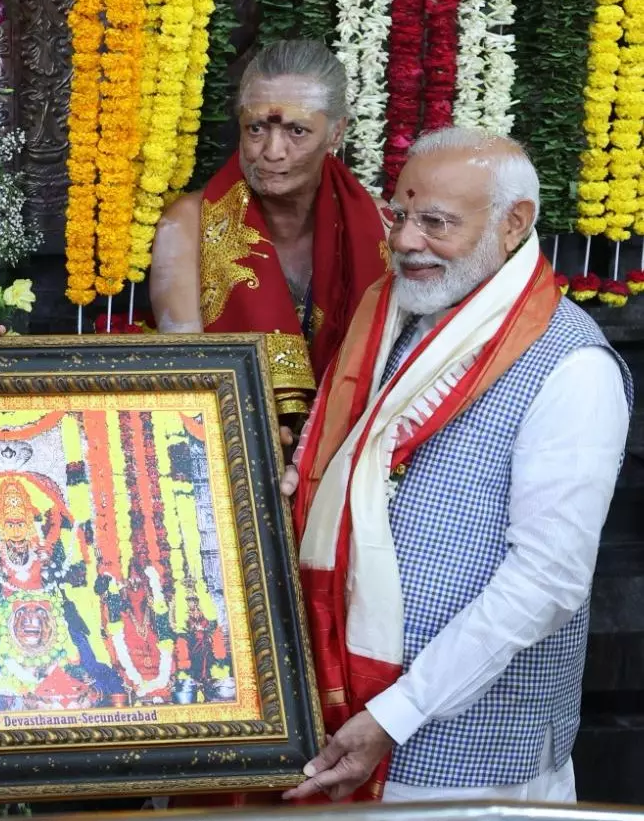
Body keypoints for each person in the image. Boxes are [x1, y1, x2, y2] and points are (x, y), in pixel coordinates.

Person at [282, 127, 631, 802]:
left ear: (514, 225)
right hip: (339, 715)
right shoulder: (395, 314)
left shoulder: (572, 366)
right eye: (401, 215)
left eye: (436, 223)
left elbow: (546, 581)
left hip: (464, 762)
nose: (407, 240)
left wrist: (397, 712)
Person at [149, 39, 390, 422]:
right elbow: (188, 383)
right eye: (257, 128)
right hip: (231, 438)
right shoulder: (186, 226)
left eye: (297, 131)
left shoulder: (380, 226)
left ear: (336, 133)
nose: (273, 151)